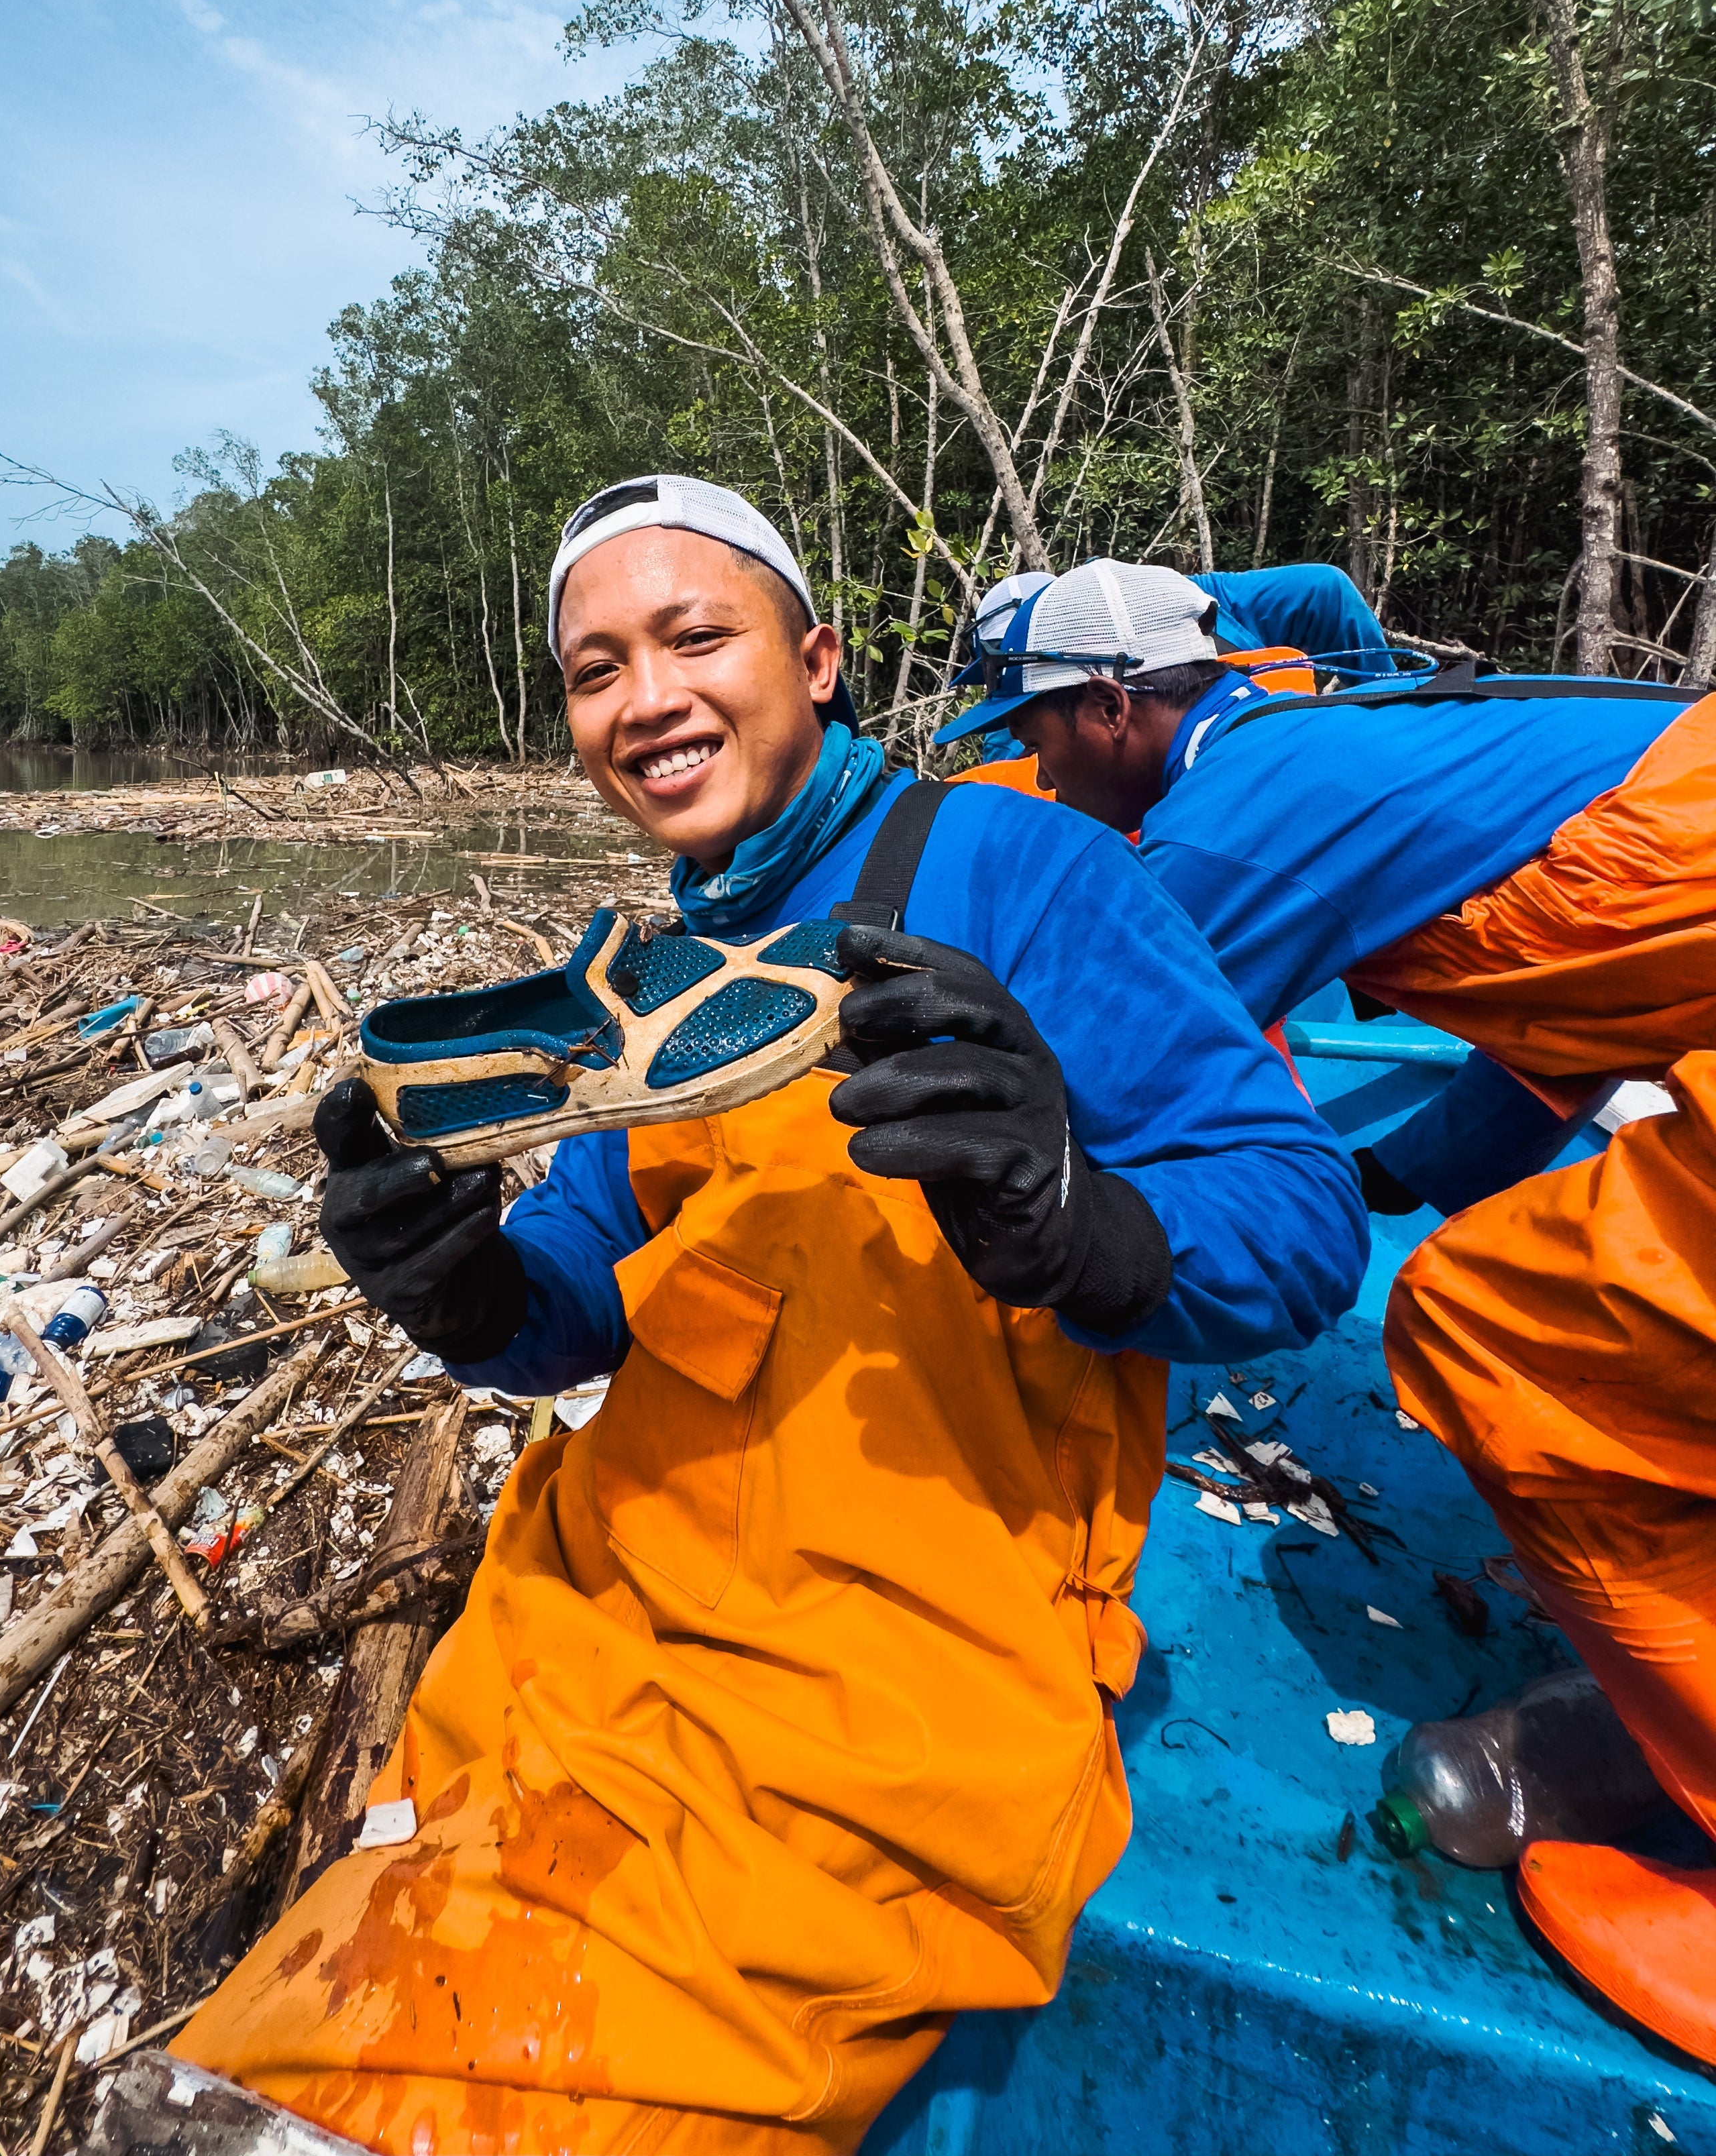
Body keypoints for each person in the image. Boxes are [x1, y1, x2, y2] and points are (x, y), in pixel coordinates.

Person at [172, 478, 1367, 2156]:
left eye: (693, 637)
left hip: (897, 1652)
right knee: (335, 2006)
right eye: (596, 670)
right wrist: (464, 1285)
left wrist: (1077, 1218)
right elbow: (581, 1295)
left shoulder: (1017, 867)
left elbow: (1302, 1221)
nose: (644, 699)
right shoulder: (665, 972)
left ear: (813, 660)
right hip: (608, 1604)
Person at [986, 553, 1716, 2059]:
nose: (1037, 762)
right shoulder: (1324, 728)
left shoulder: (1232, 823)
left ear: (1114, 708)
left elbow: (1103, 1065)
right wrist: (1389, 1172)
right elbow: (1557, 1024)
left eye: (1041, 727)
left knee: (1500, 1330)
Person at [933, 557, 1395, 794]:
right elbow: (1012, 766)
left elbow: (1325, 592)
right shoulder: (1016, 739)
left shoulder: (1180, 600)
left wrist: (1381, 714)